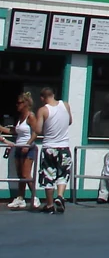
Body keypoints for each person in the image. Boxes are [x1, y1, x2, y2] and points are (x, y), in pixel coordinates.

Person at [36, 86, 73, 214]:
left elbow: (38, 130)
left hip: (49, 147)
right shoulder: (65, 105)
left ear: (43, 98)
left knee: (48, 175)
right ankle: (60, 196)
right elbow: (70, 121)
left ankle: (50, 204)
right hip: (64, 147)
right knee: (63, 173)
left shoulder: (43, 110)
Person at [1, 91, 39, 210]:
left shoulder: (31, 116)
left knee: (26, 174)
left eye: (19, 103)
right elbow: (14, 131)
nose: (17, 105)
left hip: (28, 148)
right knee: (20, 175)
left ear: (25, 103)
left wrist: (27, 145)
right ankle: (20, 198)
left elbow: (36, 132)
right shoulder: (20, 118)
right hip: (18, 147)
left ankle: (34, 197)